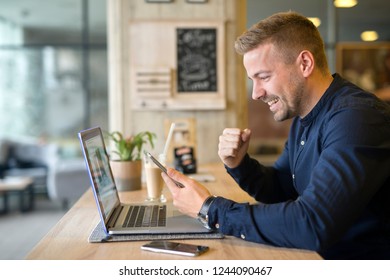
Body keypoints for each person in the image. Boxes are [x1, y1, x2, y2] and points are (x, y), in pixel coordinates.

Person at [161, 11, 390, 260]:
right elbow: (281, 188)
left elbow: (312, 223)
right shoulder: (305, 116)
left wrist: (211, 209)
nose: (256, 93)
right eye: (253, 80)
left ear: (304, 64)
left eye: (264, 77)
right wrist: (239, 164)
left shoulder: (356, 118)